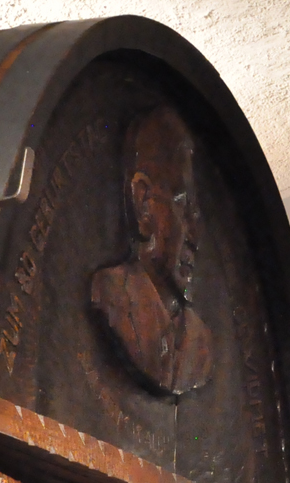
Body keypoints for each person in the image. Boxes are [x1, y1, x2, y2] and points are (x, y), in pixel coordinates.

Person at [90, 105, 213, 397]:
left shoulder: (201, 342)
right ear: (143, 204)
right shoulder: (111, 294)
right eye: (182, 205)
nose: (195, 236)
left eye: (197, 215)